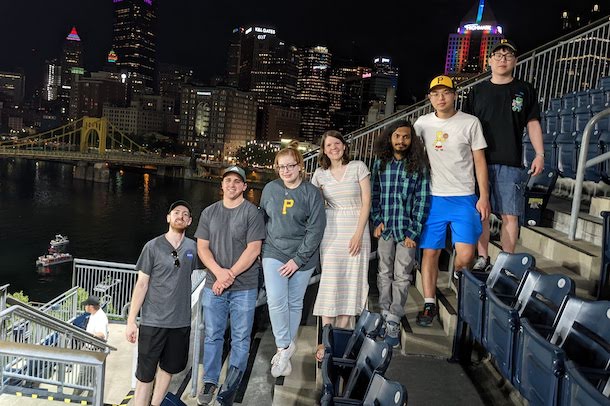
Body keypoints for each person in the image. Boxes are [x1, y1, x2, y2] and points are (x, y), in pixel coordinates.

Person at [414, 75, 490, 327]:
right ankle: (429, 301)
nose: (441, 98)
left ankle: (458, 275)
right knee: (431, 251)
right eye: (435, 94)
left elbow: (480, 162)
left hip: (464, 197)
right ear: (429, 98)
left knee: (466, 254)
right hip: (432, 197)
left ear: (455, 94)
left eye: (445, 92)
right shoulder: (422, 124)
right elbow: (413, 159)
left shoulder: (470, 122)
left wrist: (484, 196)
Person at [463, 39, 544, 270]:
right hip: (479, 162)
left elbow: (533, 123)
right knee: (482, 213)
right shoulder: (477, 91)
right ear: (489, 60)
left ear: (515, 61)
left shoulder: (525, 89)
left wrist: (540, 154)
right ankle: (482, 257)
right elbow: (465, 127)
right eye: (498, 55)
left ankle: (507, 262)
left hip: (510, 162)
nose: (502, 59)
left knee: (510, 215)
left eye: (508, 56)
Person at [194, 166, 265, 406]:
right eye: (228, 181)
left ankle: (231, 385)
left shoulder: (252, 213)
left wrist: (229, 275)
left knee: (241, 338)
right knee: (212, 335)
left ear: (244, 186)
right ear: (221, 185)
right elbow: (202, 247)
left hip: (243, 286)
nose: (232, 185)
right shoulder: (209, 212)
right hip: (214, 284)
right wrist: (219, 273)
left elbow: (253, 249)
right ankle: (210, 381)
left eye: (237, 181)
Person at [259, 141, 326, 377]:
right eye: (281, 167)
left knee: (295, 302)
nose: (286, 171)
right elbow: (262, 220)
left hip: (303, 257)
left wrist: (298, 260)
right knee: (276, 299)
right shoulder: (270, 189)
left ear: (300, 166)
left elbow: (316, 230)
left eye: (290, 166)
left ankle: (284, 353)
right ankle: (284, 346)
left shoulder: (311, 193)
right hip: (274, 252)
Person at [125, 200, 199, 406]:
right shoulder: (153, 246)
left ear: (190, 221)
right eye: (176, 212)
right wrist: (132, 320)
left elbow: (203, 269)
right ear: (168, 218)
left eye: (185, 214)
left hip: (180, 322)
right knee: (145, 374)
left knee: (169, 368)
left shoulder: (193, 247)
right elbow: (141, 284)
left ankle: (155, 404)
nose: (180, 216)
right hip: (152, 321)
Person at [311, 130, 371, 361]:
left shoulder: (358, 167)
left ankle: (343, 338)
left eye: (337, 143)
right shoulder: (319, 174)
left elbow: (366, 202)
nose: (333, 148)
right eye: (328, 145)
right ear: (324, 150)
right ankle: (326, 340)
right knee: (330, 281)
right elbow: (314, 205)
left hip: (356, 226)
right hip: (332, 229)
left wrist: (358, 233)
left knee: (352, 281)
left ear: (344, 146)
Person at [370, 120, 431, 346]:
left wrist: (413, 231)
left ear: (411, 140)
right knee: (384, 272)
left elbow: (422, 200)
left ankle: (394, 319)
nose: (401, 141)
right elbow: (374, 194)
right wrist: (376, 221)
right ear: (390, 138)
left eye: (405, 137)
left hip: (407, 231)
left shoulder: (418, 166)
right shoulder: (380, 163)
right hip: (385, 229)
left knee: (402, 275)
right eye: (397, 136)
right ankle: (384, 313)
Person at [74, 295, 108, 396]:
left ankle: (82, 394)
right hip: (89, 347)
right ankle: (83, 392)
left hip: (95, 350)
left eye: (86, 305)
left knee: (88, 373)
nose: (85, 307)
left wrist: (90, 336)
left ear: (91, 307)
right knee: (87, 373)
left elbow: (102, 334)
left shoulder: (100, 317)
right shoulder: (94, 314)